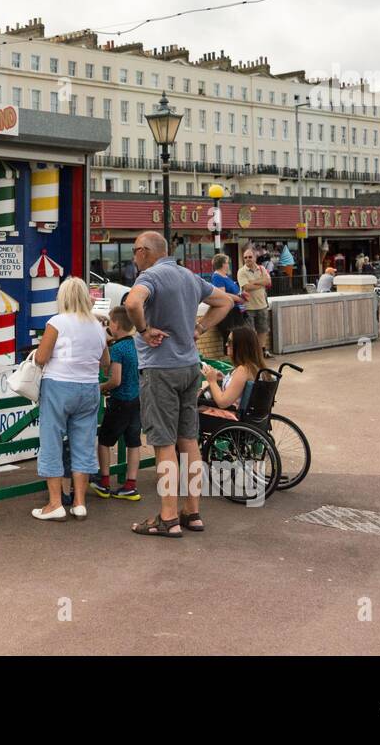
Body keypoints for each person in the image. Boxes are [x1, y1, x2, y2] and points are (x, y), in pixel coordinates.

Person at [122, 231, 233, 538]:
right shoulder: (189, 276)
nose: (133, 257)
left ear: (145, 251)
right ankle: (192, 512)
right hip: (189, 367)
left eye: (134, 251)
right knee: (189, 441)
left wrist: (143, 330)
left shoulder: (151, 277)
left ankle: (168, 517)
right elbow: (224, 302)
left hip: (160, 370)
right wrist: (199, 327)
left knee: (164, 445)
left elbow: (132, 303)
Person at [31, 276, 109, 522]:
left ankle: (55, 504)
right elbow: (105, 362)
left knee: (52, 441)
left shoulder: (57, 322)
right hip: (89, 389)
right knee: (84, 444)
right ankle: (80, 503)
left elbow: (41, 358)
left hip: (59, 386)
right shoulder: (97, 325)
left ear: (62, 297)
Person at [92, 306, 142, 501]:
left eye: (111, 322)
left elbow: (116, 380)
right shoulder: (134, 344)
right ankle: (130, 484)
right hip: (135, 399)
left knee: (104, 441)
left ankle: (104, 481)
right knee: (134, 443)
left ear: (117, 324)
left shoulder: (118, 349)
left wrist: (100, 386)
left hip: (120, 400)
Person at [199, 325, 265, 425]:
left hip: (232, 417)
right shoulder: (254, 367)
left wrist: (211, 381)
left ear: (241, 346)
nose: (226, 344)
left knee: (190, 413)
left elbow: (222, 402)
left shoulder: (243, 370)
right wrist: (224, 378)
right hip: (246, 416)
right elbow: (238, 390)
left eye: (229, 342)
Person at [236, 247, 272, 346]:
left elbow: (268, 281)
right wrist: (261, 283)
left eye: (250, 257)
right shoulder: (241, 271)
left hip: (262, 305)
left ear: (255, 258)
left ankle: (261, 351)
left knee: (263, 330)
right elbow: (246, 287)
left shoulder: (262, 269)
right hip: (248, 307)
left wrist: (254, 282)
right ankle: (252, 353)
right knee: (249, 332)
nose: (247, 259)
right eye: (245, 257)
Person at [209, 253, 247, 336]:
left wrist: (241, 295)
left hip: (238, 310)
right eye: (227, 262)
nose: (228, 265)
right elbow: (222, 295)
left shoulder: (226, 276)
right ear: (222, 264)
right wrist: (238, 298)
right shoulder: (217, 277)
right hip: (229, 313)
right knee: (230, 337)